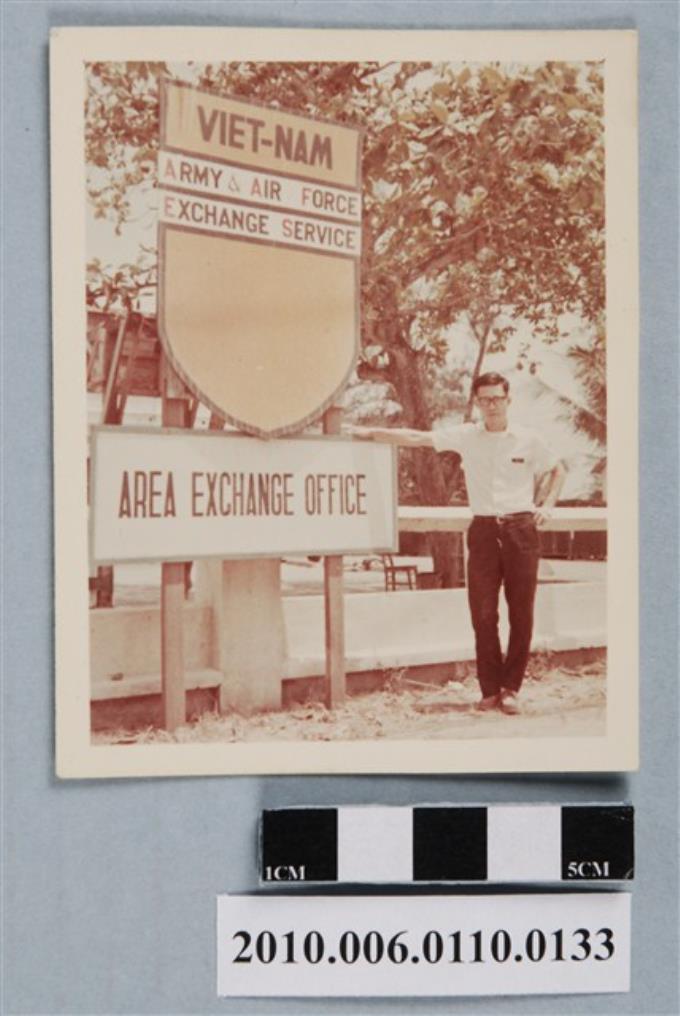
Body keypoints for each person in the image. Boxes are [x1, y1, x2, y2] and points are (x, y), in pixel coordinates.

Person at [352, 372, 566, 714]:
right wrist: (368, 433)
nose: (492, 405)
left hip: (521, 530)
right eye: (485, 399)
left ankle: (511, 689)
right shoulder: (467, 436)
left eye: (497, 398)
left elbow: (558, 469)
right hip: (483, 531)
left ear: (508, 400)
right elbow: (418, 437)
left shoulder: (529, 439)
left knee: (521, 613)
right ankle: (489, 690)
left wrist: (549, 504)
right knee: (483, 614)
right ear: (477, 402)